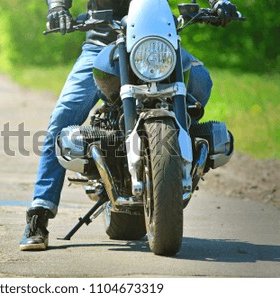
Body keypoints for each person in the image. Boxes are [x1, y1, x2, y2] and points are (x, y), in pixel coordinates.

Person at [20, 0, 238, 251]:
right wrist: (58, 7)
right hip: (103, 45)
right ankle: (40, 212)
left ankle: (171, 156)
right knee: (64, 114)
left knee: (200, 80)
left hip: (155, 42)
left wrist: (219, 2)